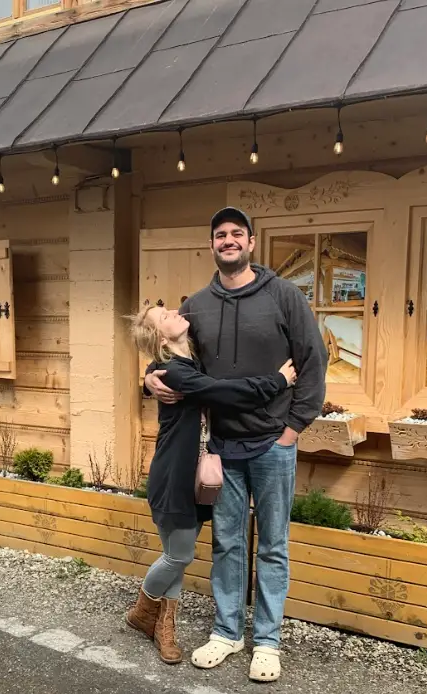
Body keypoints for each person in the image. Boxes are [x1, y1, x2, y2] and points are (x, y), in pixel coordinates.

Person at [143, 207, 328, 683]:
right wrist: (147, 381)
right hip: (222, 447)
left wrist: (293, 428)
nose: (228, 240)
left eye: (236, 234)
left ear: (251, 242)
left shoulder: (284, 296)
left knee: (272, 546)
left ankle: (267, 641)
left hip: (273, 444)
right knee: (227, 543)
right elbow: (169, 354)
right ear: (212, 246)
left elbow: (313, 359)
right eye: (220, 235)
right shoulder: (198, 306)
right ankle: (227, 632)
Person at [126, 302, 297, 665]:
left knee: (178, 554)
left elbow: (176, 374)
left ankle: (163, 626)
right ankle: (142, 610)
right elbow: (226, 392)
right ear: (161, 339)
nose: (174, 312)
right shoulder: (174, 371)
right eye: (165, 317)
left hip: (196, 474)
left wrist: (146, 378)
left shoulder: (186, 362)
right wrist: (278, 381)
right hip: (174, 474)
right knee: (179, 554)